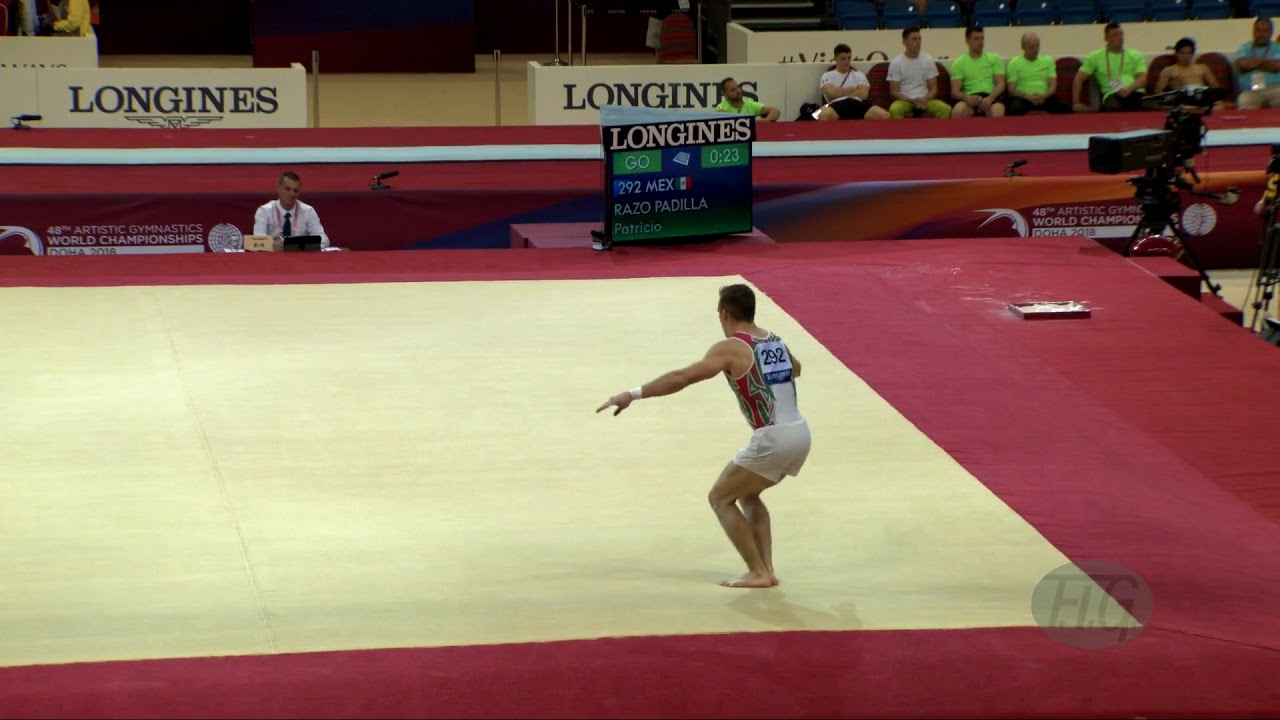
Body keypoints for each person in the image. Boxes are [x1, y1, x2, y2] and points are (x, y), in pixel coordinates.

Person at [596, 283, 811, 589]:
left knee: (720, 498)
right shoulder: (774, 340)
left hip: (773, 437)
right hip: (800, 434)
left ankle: (757, 571)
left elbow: (681, 378)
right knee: (749, 494)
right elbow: (797, 369)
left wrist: (632, 394)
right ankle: (767, 570)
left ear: (724, 314)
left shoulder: (731, 347)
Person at [1074, 22, 1147, 112]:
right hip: (1112, 94)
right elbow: (1078, 79)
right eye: (1115, 35)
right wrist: (1076, 103)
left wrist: (1129, 88)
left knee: (1148, 105)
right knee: (1114, 107)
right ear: (1106, 39)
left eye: (1121, 34)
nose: (1120, 38)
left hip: (1135, 92)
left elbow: (1143, 79)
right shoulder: (1095, 56)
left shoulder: (1135, 54)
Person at [253, 171, 330, 250]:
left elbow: (324, 240)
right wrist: (272, 245)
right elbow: (257, 240)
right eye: (287, 189)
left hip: (300, 257)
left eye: (295, 190)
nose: (292, 194)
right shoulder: (264, 211)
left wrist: (302, 246)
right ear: (278, 188)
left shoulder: (308, 211)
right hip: (273, 257)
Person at [887, 26, 951, 119]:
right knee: (894, 109)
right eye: (914, 39)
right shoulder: (896, 63)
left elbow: (934, 88)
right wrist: (912, 101)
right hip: (905, 101)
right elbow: (893, 92)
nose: (918, 42)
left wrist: (925, 99)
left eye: (919, 39)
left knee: (945, 109)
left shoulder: (928, 60)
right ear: (904, 42)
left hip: (926, 100)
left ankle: (938, 133)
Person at [815, 43, 891, 121]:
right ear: (835, 59)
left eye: (849, 58)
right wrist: (853, 88)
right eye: (843, 59)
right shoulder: (827, 75)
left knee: (884, 115)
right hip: (837, 104)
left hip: (857, 103)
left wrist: (838, 92)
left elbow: (864, 95)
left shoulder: (858, 75)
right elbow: (831, 93)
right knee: (824, 116)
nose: (847, 62)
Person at [1004, 32, 1072, 115]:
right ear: (1023, 47)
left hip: (1044, 97)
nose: (1036, 50)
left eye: (1037, 46)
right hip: (1023, 99)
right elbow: (1011, 89)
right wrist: (1027, 97)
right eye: (1032, 47)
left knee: (1065, 108)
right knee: (1014, 109)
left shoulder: (1048, 61)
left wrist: (1044, 96)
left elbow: (1053, 85)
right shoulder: (1014, 63)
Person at [949, 25, 1006, 118]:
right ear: (967, 41)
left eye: (982, 38)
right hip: (970, 98)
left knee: (997, 112)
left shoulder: (995, 58)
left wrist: (989, 99)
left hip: (991, 96)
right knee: (957, 112)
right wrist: (967, 98)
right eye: (976, 39)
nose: (980, 42)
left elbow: (1001, 85)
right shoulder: (958, 63)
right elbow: (955, 92)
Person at [1234, 17, 1280, 110]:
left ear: (1271, 33)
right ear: (1253, 32)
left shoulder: (1277, 47)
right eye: (1258, 31)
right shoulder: (1245, 48)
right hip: (1251, 90)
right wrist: (1265, 61)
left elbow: (1276, 66)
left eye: (1265, 31)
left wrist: (1252, 63)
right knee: (1244, 101)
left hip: (1275, 89)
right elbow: (1242, 65)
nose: (1261, 34)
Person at [714, 77, 780, 121]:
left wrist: (766, 120)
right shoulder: (722, 107)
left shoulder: (750, 105)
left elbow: (775, 111)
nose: (738, 91)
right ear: (725, 95)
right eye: (733, 90)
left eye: (738, 87)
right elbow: (723, 116)